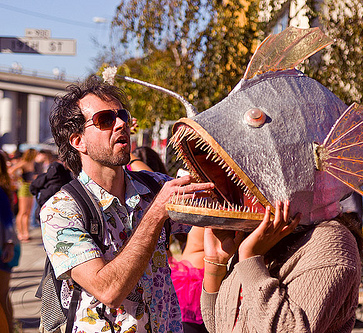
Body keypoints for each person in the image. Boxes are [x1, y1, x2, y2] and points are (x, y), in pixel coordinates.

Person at [40, 76, 214, 332]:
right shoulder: (61, 210)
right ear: (78, 142)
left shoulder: (154, 186)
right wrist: (156, 214)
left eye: (122, 115)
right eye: (105, 120)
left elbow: (218, 208)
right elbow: (108, 291)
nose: (122, 124)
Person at [201, 193, 363, 332]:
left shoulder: (331, 240)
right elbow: (216, 325)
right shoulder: (255, 232)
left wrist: (251, 260)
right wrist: (216, 262)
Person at [0, 151, 17, 332]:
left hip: (4, 248)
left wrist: (9, 245)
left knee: (2, 295)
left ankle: (9, 329)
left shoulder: (1, 191)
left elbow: (9, 222)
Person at [9, 148, 37, 242]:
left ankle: (26, 233)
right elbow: (11, 170)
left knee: (28, 212)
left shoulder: (31, 163)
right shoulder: (24, 162)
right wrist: (17, 179)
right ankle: (21, 233)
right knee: (23, 211)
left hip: (30, 187)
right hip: (24, 187)